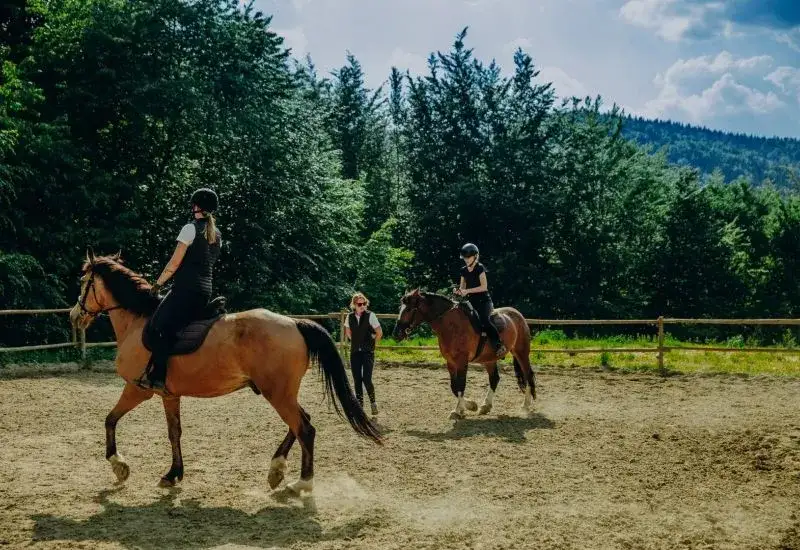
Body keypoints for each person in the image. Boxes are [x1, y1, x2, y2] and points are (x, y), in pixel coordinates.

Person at [135, 188, 222, 392]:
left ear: (196, 206)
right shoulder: (217, 234)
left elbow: (174, 264)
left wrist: (157, 284)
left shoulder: (189, 229)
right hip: (205, 291)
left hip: (185, 290)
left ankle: (158, 377)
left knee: (158, 325)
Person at [454, 242, 507, 357]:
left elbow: (484, 287)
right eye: (464, 258)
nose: (466, 260)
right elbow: (462, 287)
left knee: (484, 320)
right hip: (471, 301)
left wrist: (467, 291)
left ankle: (498, 345)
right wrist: (459, 291)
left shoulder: (480, 268)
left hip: (484, 301)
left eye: (468, 257)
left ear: (475, 256)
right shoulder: (463, 270)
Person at [344, 292, 382, 416]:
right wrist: (355, 341)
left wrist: (372, 343)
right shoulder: (349, 317)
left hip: (368, 352)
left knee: (366, 379)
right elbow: (348, 332)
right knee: (357, 380)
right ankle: (360, 406)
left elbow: (379, 332)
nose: (362, 306)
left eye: (364, 303)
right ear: (354, 305)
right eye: (360, 304)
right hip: (355, 352)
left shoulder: (371, 316)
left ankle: (373, 403)